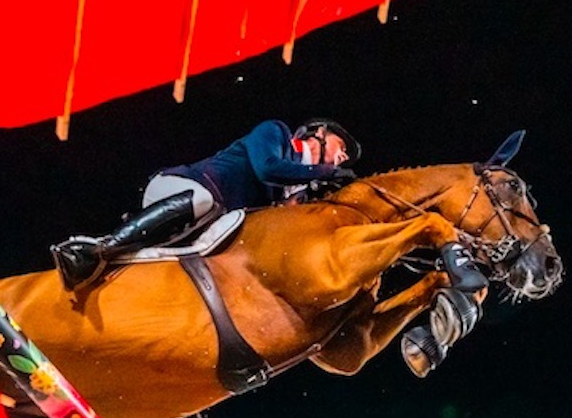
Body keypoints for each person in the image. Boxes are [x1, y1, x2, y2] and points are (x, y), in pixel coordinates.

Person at [50, 119, 360, 290]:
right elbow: (266, 168)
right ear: (319, 134)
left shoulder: (296, 191)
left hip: (204, 231)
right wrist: (325, 171)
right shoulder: (275, 133)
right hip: (181, 189)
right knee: (205, 201)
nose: (343, 157)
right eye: (341, 147)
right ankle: (96, 250)